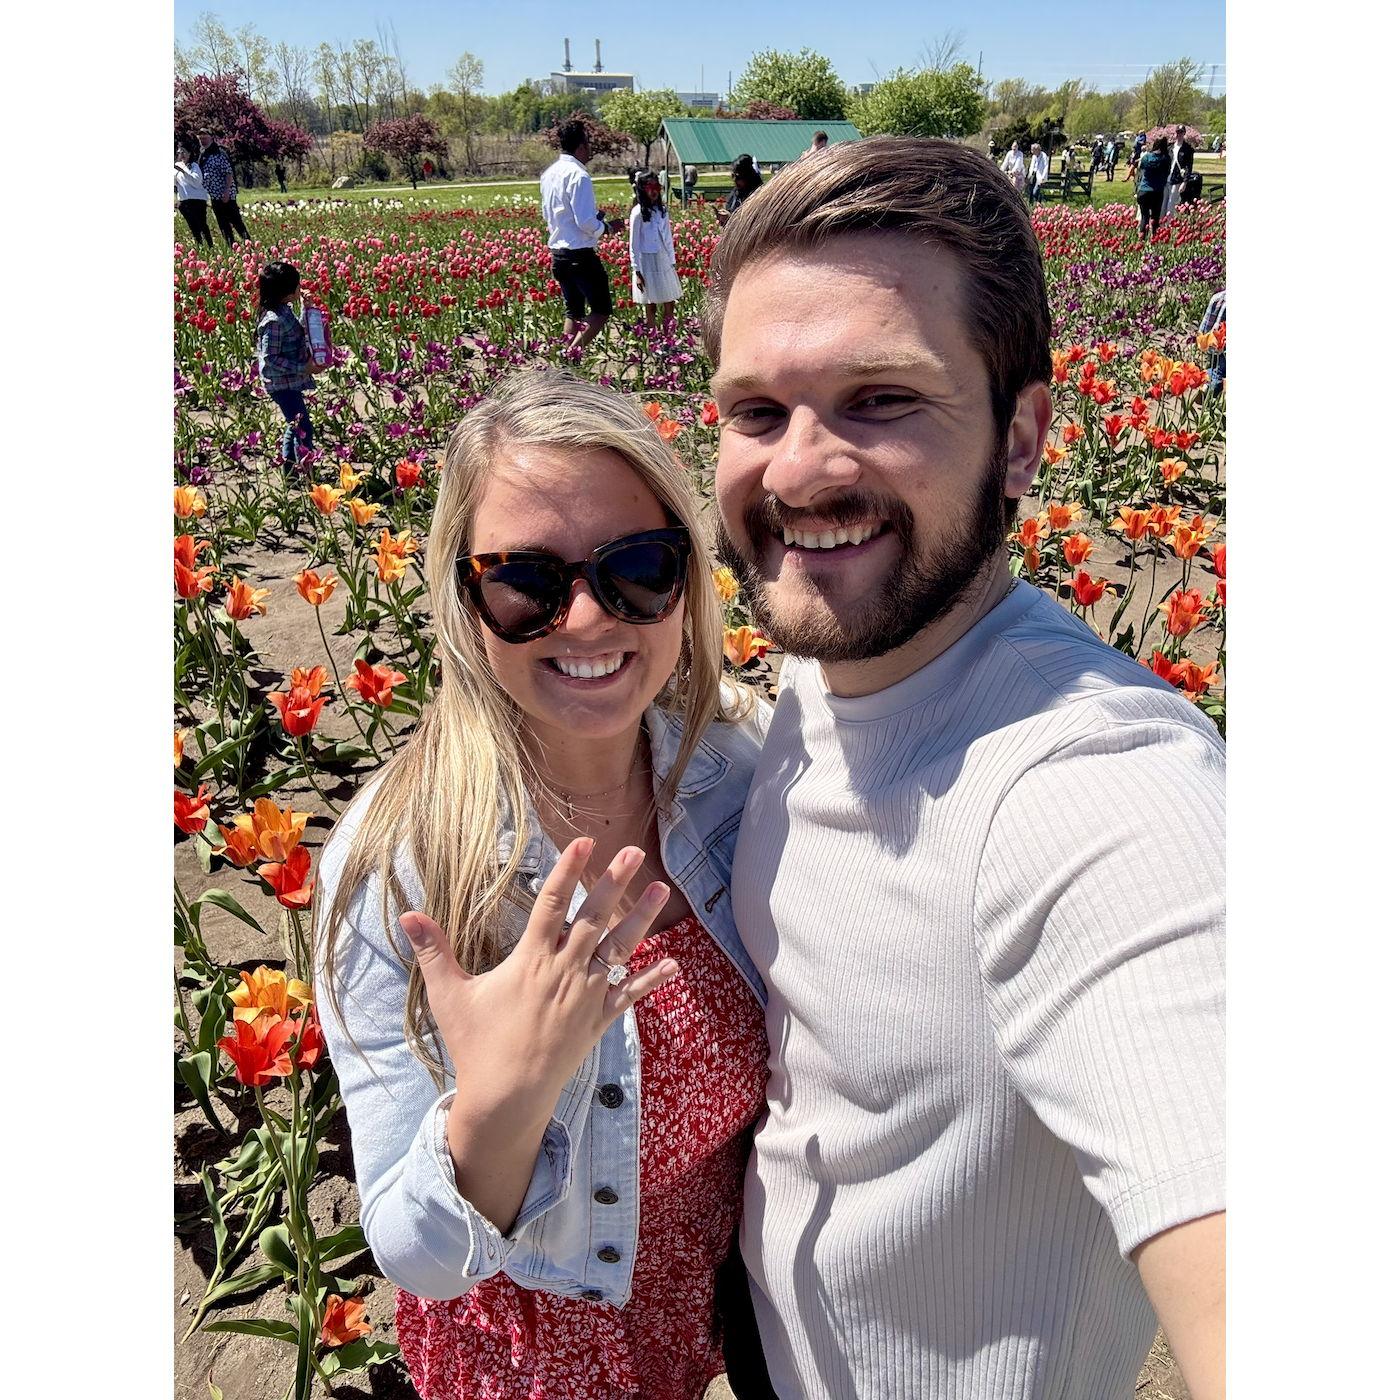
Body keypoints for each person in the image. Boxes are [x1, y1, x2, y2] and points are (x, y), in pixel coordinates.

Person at [704, 135, 1225, 1400]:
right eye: (756, 410)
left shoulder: (1097, 788)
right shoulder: (833, 661)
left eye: (882, 398)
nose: (798, 468)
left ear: (1023, 436)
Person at [314, 368, 777, 1400]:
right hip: (532, 1357)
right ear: (461, 596)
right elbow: (412, 1247)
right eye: (525, 579)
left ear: (689, 579)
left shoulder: (737, 767)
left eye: (639, 567)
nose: (583, 618)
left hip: (711, 1295)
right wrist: (503, 1100)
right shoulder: (402, 864)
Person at [540, 119, 627, 354]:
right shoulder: (579, 175)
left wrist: (594, 220)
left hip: (558, 254)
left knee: (574, 311)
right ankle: (571, 355)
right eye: (588, 144)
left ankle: (563, 359)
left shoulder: (549, 174)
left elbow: (551, 214)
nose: (590, 150)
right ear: (580, 147)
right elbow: (585, 222)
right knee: (601, 310)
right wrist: (607, 227)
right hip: (580, 254)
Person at [254, 261, 324, 469]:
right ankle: (304, 469)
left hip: (288, 381)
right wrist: (304, 368)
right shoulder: (273, 321)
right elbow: (270, 358)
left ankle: (290, 469)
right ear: (287, 292)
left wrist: (306, 309)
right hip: (281, 384)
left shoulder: (284, 310)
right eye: (297, 285)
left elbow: (296, 331)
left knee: (294, 425)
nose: (300, 288)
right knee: (303, 427)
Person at [629, 171, 682, 330]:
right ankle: (653, 336)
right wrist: (636, 270)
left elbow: (667, 237)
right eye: (649, 187)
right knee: (650, 302)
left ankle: (669, 335)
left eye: (656, 186)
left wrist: (672, 261)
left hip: (663, 258)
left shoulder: (662, 211)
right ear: (642, 189)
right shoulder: (638, 213)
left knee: (669, 298)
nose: (653, 191)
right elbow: (634, 243)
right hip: (646, 260)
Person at [196, 129, 250, 245]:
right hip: (214, 196)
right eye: (200, 139)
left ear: (211, 138)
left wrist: (226, 191)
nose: (203, 141)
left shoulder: (219, 153)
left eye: (205, 138)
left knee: (236, 221)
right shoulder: (203, 154)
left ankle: (248, 243)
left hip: (226, 194)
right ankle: (231, 246)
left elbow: (228, 173)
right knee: (223, 224)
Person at [174, 142, 212, 248]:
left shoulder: (194, 166)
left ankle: (210, 245)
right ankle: (199, 245)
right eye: (180, 152)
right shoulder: (176, 166)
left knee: (202, 224)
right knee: (192, 226)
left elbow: (196, 182)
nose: (182, 154)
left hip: (197, 200)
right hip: (184, 201)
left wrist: (184, 172)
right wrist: (177, 171)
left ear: (189, 154)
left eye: (184, 152)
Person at [1136, 134, 1172, 239]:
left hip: (1144, 190)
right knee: (1155, 218)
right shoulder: (1165, 159)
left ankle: (1142, 238)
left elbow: (1141, 169)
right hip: (1157, 191)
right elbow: (1167, 173)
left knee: (1144, 217)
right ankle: (1154, 238)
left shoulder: (1146, 157)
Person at [717, 155, 763, 226]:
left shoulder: (758, 195)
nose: (734, 180)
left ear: (748, 177)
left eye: (738, 177)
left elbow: (755, 222)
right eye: (733, 176)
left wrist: (730, 218)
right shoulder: (735, 193)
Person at [1162, 124, 1195, 220]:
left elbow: (1189, 167)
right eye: (1177, 132)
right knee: (1163, 204)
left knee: (1171, 204)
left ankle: (1167, 225)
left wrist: (1184, 182)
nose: (1179, 134)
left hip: (1177, 179)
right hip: (1166, 178)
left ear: (1184, 134)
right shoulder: (1170, 147)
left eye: (1181, 132)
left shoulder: (1187, 149)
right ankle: (1160, 225)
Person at [1199, 287, 1226, 395]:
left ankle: (1206, 382)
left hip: (1214, 348)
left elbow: (1203, 330)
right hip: (1223, 351)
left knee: (1216, 368)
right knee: (1220, 371)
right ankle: (1212, 384)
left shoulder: (1218, 298)